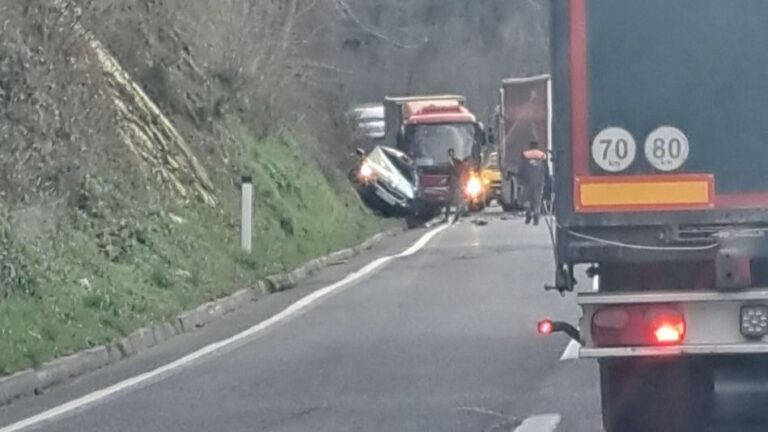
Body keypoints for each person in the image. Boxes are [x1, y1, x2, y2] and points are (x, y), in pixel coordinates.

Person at [519, 141, 548, 225]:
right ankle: (536, 217)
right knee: (537, 200)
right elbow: (546, 170)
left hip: (527, 182)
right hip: (539, 182)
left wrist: (520, 178)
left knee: (527, 199)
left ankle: (528, 214)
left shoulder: (525, 155)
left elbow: (521, 169)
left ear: (530, 146)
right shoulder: (542, 155)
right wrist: (547, 180)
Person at [446, 148, 470, 222]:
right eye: (449, 153)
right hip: (453, 184)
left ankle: (456, 216)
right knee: (450, 200)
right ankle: (447, 216)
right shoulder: (449, 162)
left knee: (457, 200)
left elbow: (459, 171)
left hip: (457, 183)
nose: (450, 155)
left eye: (451, 153)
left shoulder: (456, 162)